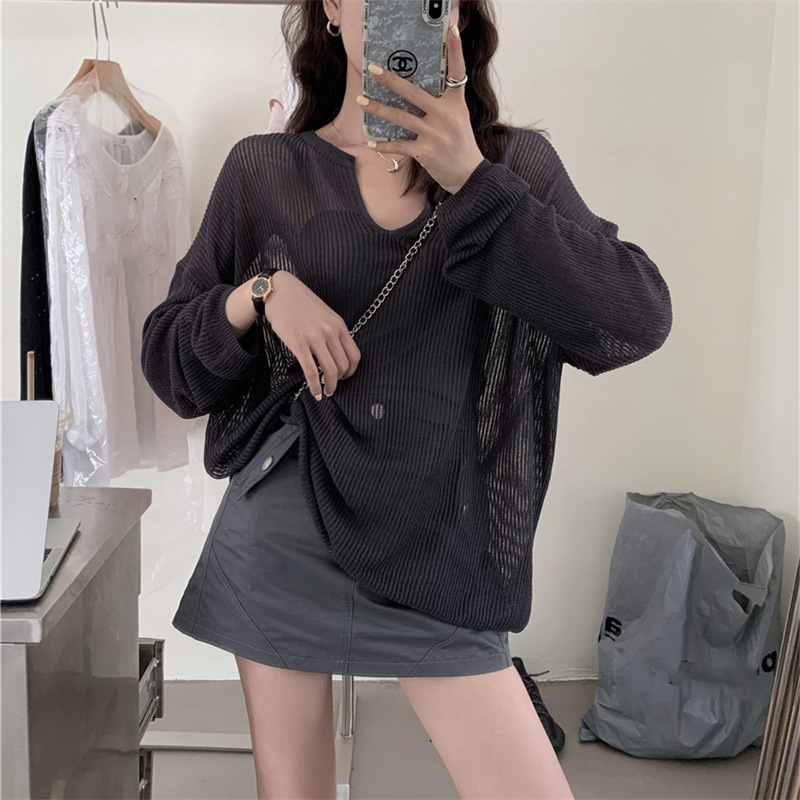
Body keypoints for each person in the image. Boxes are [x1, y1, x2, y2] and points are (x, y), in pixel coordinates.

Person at [141, 0, 672, 797]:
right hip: (284, 536)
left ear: (454, 13)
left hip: (441, 549)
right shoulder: (267, 170)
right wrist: (261, 293)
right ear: (331, 8)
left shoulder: (512, 166)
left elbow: (633, 319)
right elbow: (170, 362)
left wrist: (473, 180)